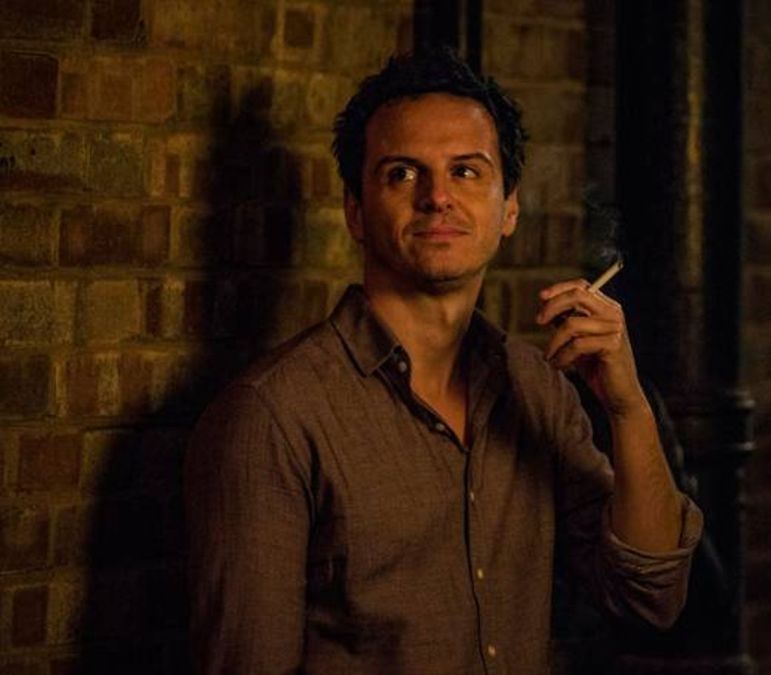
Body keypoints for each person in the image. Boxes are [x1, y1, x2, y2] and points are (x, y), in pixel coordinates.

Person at [183, 47, 703, 674]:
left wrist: (627, 407)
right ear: (355, 211)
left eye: (466, 171)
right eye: (403, 173)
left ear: (509, 208)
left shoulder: (536, 390)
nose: (437, 197)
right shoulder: (273, 418)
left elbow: (650, 599)